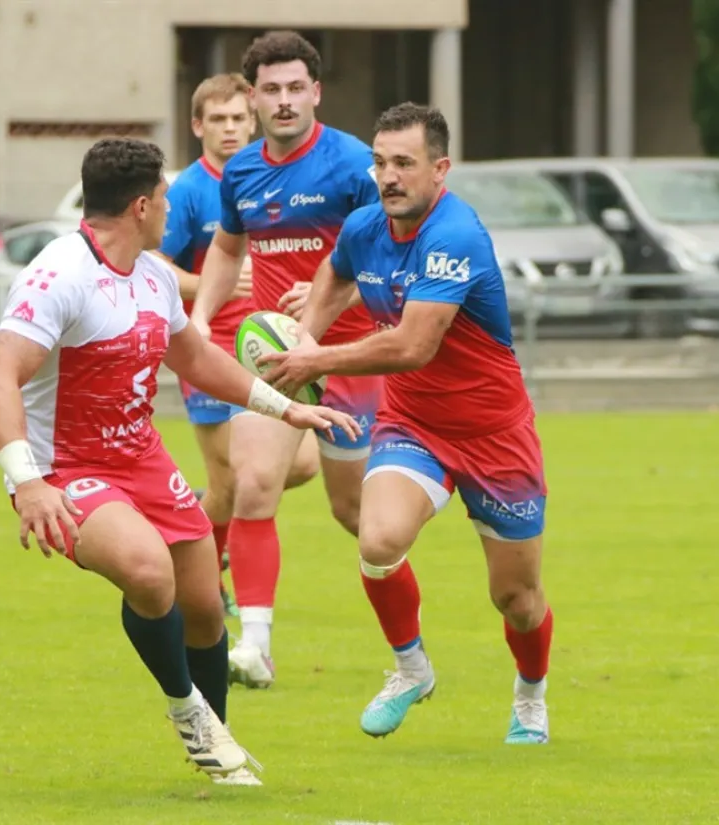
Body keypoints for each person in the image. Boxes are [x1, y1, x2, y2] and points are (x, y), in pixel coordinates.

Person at [0, 137, 360, 785]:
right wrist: (29, 482)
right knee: (151, 574)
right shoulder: (58, 274)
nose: (175, 211)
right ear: (142, 204)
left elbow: (197, 361)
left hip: (141, 457)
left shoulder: (153, 275)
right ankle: (189, 712)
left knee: (205, 602)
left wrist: (283, 407)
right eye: (169, 199)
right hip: (64, 467)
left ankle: (220, 745)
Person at [259, 103, 554, 745]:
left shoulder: (456, 236)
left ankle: (530, 695)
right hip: (413, 422)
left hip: (494, 433)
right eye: (380, 162)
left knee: (518, 599)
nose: (387, 176)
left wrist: (315, 355)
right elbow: (337, 271)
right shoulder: (366, 226)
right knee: (377, 540)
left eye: (403, 163)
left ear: (439, 169)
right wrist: (306, 322)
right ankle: (410, 669)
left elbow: (413, 345)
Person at [190, 30, 383, 689]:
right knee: (252, 484)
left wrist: (333, 289)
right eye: (270, 89)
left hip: (353, 357)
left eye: (296, 87)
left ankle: (409, 651)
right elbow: (225, 249)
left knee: (355, 514)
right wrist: (197, 316)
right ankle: (255, 645)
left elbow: (390, 255)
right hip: (274, 359)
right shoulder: (242, 170)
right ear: (254, 96)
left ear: (316, 92)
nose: (284, 100)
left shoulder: (354, 164)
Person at [155, 73, 319, 620]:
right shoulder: (190, 191)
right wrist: (209, 288)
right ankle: (206, 578)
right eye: (218, 120)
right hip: (209, 348)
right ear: (198, 126)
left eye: (237, 119)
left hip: (273, 345)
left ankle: (192, 528)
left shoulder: (270, 179)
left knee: (299, 467)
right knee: (231, 480)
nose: (230, 129)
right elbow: (154, 261)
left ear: (253, 121)